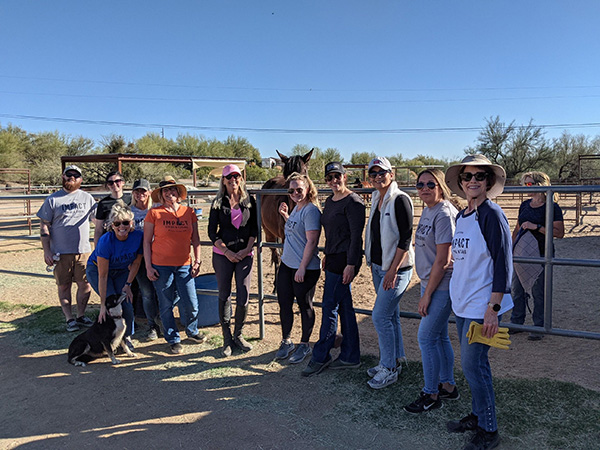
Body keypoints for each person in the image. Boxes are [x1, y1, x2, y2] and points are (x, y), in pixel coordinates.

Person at [444, 154, 513, 450]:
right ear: (460, 182)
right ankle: (477, 415)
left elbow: (503, 264)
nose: (473, 181)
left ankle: (489, 430)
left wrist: (493, 308)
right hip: (463, 303)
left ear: (488, 182)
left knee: (475, 366)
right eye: (467, 176)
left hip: (482, 306)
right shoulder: (463, 216)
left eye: (479, 176)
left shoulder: (491, 214)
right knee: (471, 366)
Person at [404, 169, 460, 414]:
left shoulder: (444, 212)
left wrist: (427, 294)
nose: (424, 188)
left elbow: (443, 260)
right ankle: (447, 385)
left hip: (443, 283)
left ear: (440, 186)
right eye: (420, 184)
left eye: (430, 184)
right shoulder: (429, 210)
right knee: (438, 336)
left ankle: (431, 393)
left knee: (425, 338)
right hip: (430, 281)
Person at [302, 162, 365, 377]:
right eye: (329, 178)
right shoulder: (329, 201)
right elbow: (330, 233)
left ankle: (321, 355)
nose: (333, 181)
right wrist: (327, 254)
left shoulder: (353, 202)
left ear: (345, 177)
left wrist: (351, 264)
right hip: (333, 258)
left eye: (337, 176)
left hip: (345, 260)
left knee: (330, 306)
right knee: (344, 306)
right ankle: (350, 355)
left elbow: (356, 237)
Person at [364, 156, 414, 390]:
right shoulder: (377, 197)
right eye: (373, 174)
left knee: (380, 316)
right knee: (390, 316)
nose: (377, 177)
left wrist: (393, 270)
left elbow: (405, 238)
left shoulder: (399, 199)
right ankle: (395, 360)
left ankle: (388, 368)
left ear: (391, 174)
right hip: (378, 266)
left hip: (396, 269)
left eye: (381, 173)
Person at [143, 176, 205, 354]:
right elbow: (146, 242)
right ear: (161, 195)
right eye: (165, 191)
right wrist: (148, 266)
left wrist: (197, 260)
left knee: (191, 302)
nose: (169, 193)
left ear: (179, 194)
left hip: (185, 264)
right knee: (166, 303)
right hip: (161, 265)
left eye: (172, 190)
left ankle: (192, 331)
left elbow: (196, 239)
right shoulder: (154, 213)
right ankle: (173, 338)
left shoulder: (189, 212)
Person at [37, 165, 96, 332]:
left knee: (85, 284)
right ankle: (69, 318)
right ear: (63, 177)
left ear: (81, 179)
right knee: (64, 286)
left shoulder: (87, 198)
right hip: (60, 253)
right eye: (68, 175)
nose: (72, 177)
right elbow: (44, 227)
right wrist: (46, 250)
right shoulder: (53, 200)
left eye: (75, 175)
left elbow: (97, 221)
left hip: (83, 251)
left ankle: (81, 315)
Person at [208, 164, 258, 357]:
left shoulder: (249, 201)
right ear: (223, 180)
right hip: (223, 255)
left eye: (236, 176)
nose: (233, 180)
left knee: (243, 292)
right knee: (224, 293)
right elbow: (212, 231)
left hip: (245, 254)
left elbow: (254, 229)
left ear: (241, 179)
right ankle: (227, 339)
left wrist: (247, 249)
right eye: (229, 177)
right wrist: (227, 251)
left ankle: (239, 334)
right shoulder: (217, 203)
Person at [510, 171, 564, 340]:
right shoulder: (524, 205)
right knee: (517, 289)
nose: (526, 188)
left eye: (529, 184)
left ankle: (538, 326)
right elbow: (517, 228)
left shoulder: (552, 207)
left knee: (538, 292)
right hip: (521, 253)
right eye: (524, 184)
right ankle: (516, 322)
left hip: (541, 254)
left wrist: (537, 227)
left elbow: (559, 232)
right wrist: (511, 248)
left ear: (540, 185)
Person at [274, 172, 321, 364]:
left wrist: (302, 268)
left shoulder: (311, 211)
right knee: (284, 302)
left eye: (299, 189)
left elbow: (311, 241)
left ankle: (304, 344)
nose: (295, 193)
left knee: (304, 304)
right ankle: (286, 340)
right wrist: (286, 216)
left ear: (307, 189)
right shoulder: (296, 208)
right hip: (287, 264)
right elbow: (296, 231)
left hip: (305, 267)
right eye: (291, 190)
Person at [86, 201, 143, 350]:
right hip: (98, 270)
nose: (121, 227)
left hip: (121, 271)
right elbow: (103, 276)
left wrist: (128, 284)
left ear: (131, 223)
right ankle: (109, 339)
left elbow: (136, 263)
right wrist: (103, 304)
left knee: (127, 304)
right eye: (117, 224)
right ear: (112, 225)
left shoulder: (138, 237)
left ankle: (127, 337)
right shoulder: (106, 242)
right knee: (113, 305)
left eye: (125, 223)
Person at [130, 178, 161, 341]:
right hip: (139, 257)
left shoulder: (156, 209)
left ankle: (162, 319)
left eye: (143, 191)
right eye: (137, 191)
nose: (140, 194)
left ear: (149, 192)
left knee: (166, 289)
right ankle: (152, 325)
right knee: (147, 292)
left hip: (159, 254)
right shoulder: (129, 212)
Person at [94, 171, 131, 246]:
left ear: (123, 182)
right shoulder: (103, 203)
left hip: (128, 239)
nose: (114, 184)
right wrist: (97, 250)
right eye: (110, 182)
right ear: (108, 185)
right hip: (110, 241)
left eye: (117, 181)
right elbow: (98, 229)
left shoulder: (130, 200)